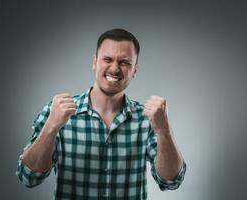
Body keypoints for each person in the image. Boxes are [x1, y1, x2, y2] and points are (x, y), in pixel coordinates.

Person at [16, 28, 186, 199]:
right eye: (107, 59)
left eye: (124, 62)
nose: (114, 68)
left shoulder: (147, 119)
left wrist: (164, 131)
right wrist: (51, 127)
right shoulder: (58, 112)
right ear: (94, 62)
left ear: (135, 70)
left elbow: (171, 181)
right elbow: (28, 177)